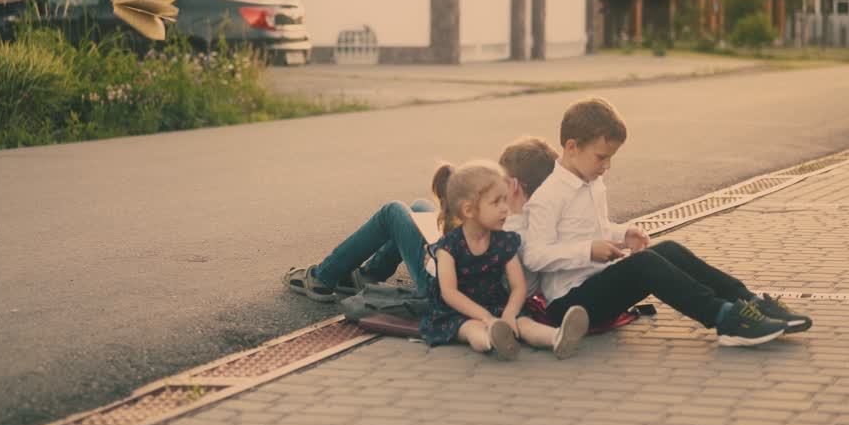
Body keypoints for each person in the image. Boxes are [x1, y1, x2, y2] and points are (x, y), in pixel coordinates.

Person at [522, 97, 813, 347]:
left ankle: (750, 301)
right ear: (572, 147)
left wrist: (624, 234)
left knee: (670, 249)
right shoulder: (548, 197)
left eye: (610, 158)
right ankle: (725, 319)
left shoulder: (592, 183)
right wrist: (587, 250)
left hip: (599, 285)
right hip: (570, 302)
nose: (607, 166)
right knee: (644, 264)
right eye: (601, 157)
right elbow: (535, 256)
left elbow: (596, 229)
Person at [283, 136, 560, 303]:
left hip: (443, 286)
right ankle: (367, 274)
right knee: (419, 207)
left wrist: (435, 256)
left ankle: (323, 276)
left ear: (513, 186)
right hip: (462, 275)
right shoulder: (533, 217)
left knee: (393, 212)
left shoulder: (507, 227)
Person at [422, 160, 588, 360]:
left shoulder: (504, 241)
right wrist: (486, 318)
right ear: (469, 210)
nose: (505, 209)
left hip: (497, 305)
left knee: (524, 323)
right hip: (458, 310)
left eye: (505, 200)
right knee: (472, 329)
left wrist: (509, 313)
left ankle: (557, 337)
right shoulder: (449, 246)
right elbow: (449, 293)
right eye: (496, 202)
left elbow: (518, 287)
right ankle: (492, 342)